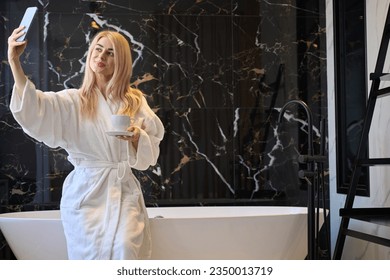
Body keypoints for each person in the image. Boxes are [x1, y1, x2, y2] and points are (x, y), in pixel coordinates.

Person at [7, 26, 164, 260]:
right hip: (85, 192)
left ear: (121, 61)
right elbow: (34, 107)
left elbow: (152, 149)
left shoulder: (134, 101)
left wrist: (136, 138)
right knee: (89, 257)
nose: (101, 57)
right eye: (98, 50)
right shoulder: (73, 100)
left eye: (110, 53)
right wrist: (14, 62)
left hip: (121, 190)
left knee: (125, 247)